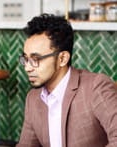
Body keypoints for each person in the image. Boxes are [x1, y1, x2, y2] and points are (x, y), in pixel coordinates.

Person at [16, 14, 117, 147]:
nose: (27, 68)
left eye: (36, 59)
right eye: (26, 59)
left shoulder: (95, 87)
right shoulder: (33, 98)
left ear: (62, 58)